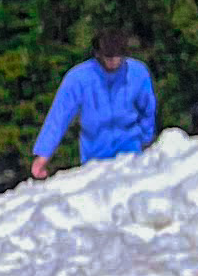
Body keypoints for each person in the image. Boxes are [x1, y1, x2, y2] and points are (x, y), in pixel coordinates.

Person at [31, 24, 157, 175]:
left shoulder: (138, 72)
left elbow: (148, 108)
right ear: (98, 54)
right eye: (108, 57)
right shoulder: (78, 78)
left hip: (131, 152)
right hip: (94, 157)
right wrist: (43, 155)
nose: (113, 61)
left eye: (118, 56)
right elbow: (59, 116)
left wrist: (146, 138)